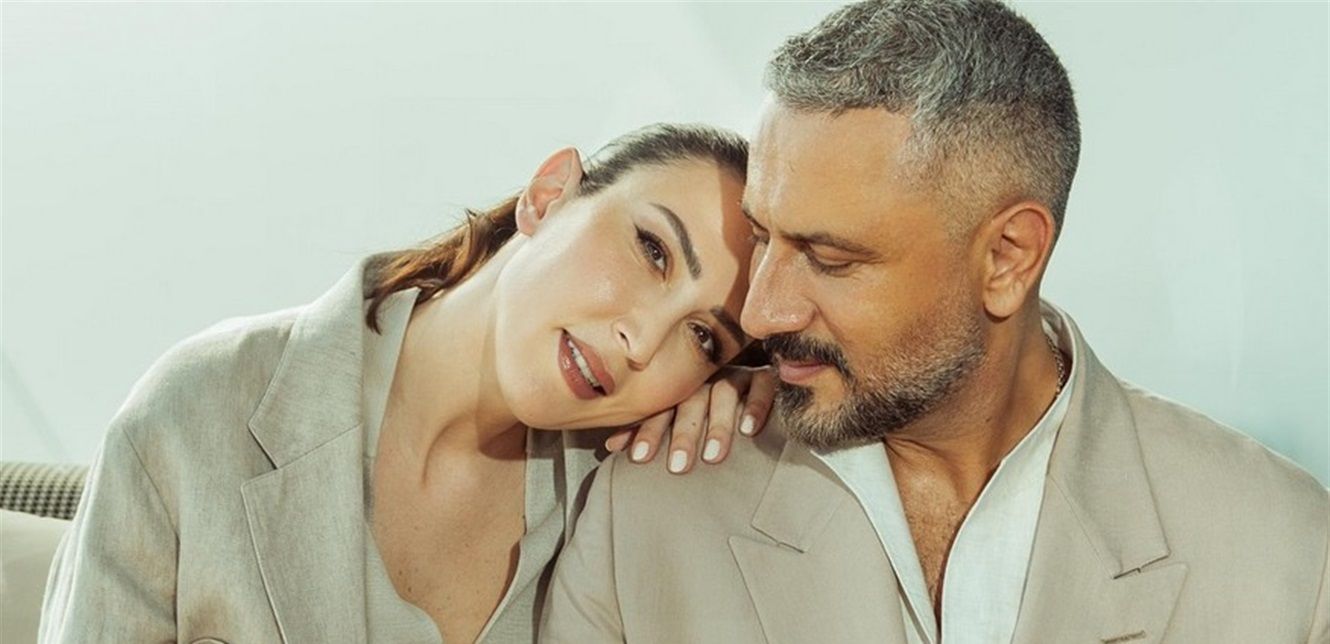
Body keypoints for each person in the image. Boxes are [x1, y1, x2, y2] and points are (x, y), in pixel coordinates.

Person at [542, 2, 1330, 643]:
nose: (762, 311)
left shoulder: (1286, 553)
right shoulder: (643, 515)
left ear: (1008, 259)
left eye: (830, 257)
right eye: (761, 237)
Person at [39, 122, 778, 643]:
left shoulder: (630, 498)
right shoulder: (199, 410)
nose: (642, 342)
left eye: (702, 337)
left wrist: (760, 431)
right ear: (549, 193)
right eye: (652, 250)